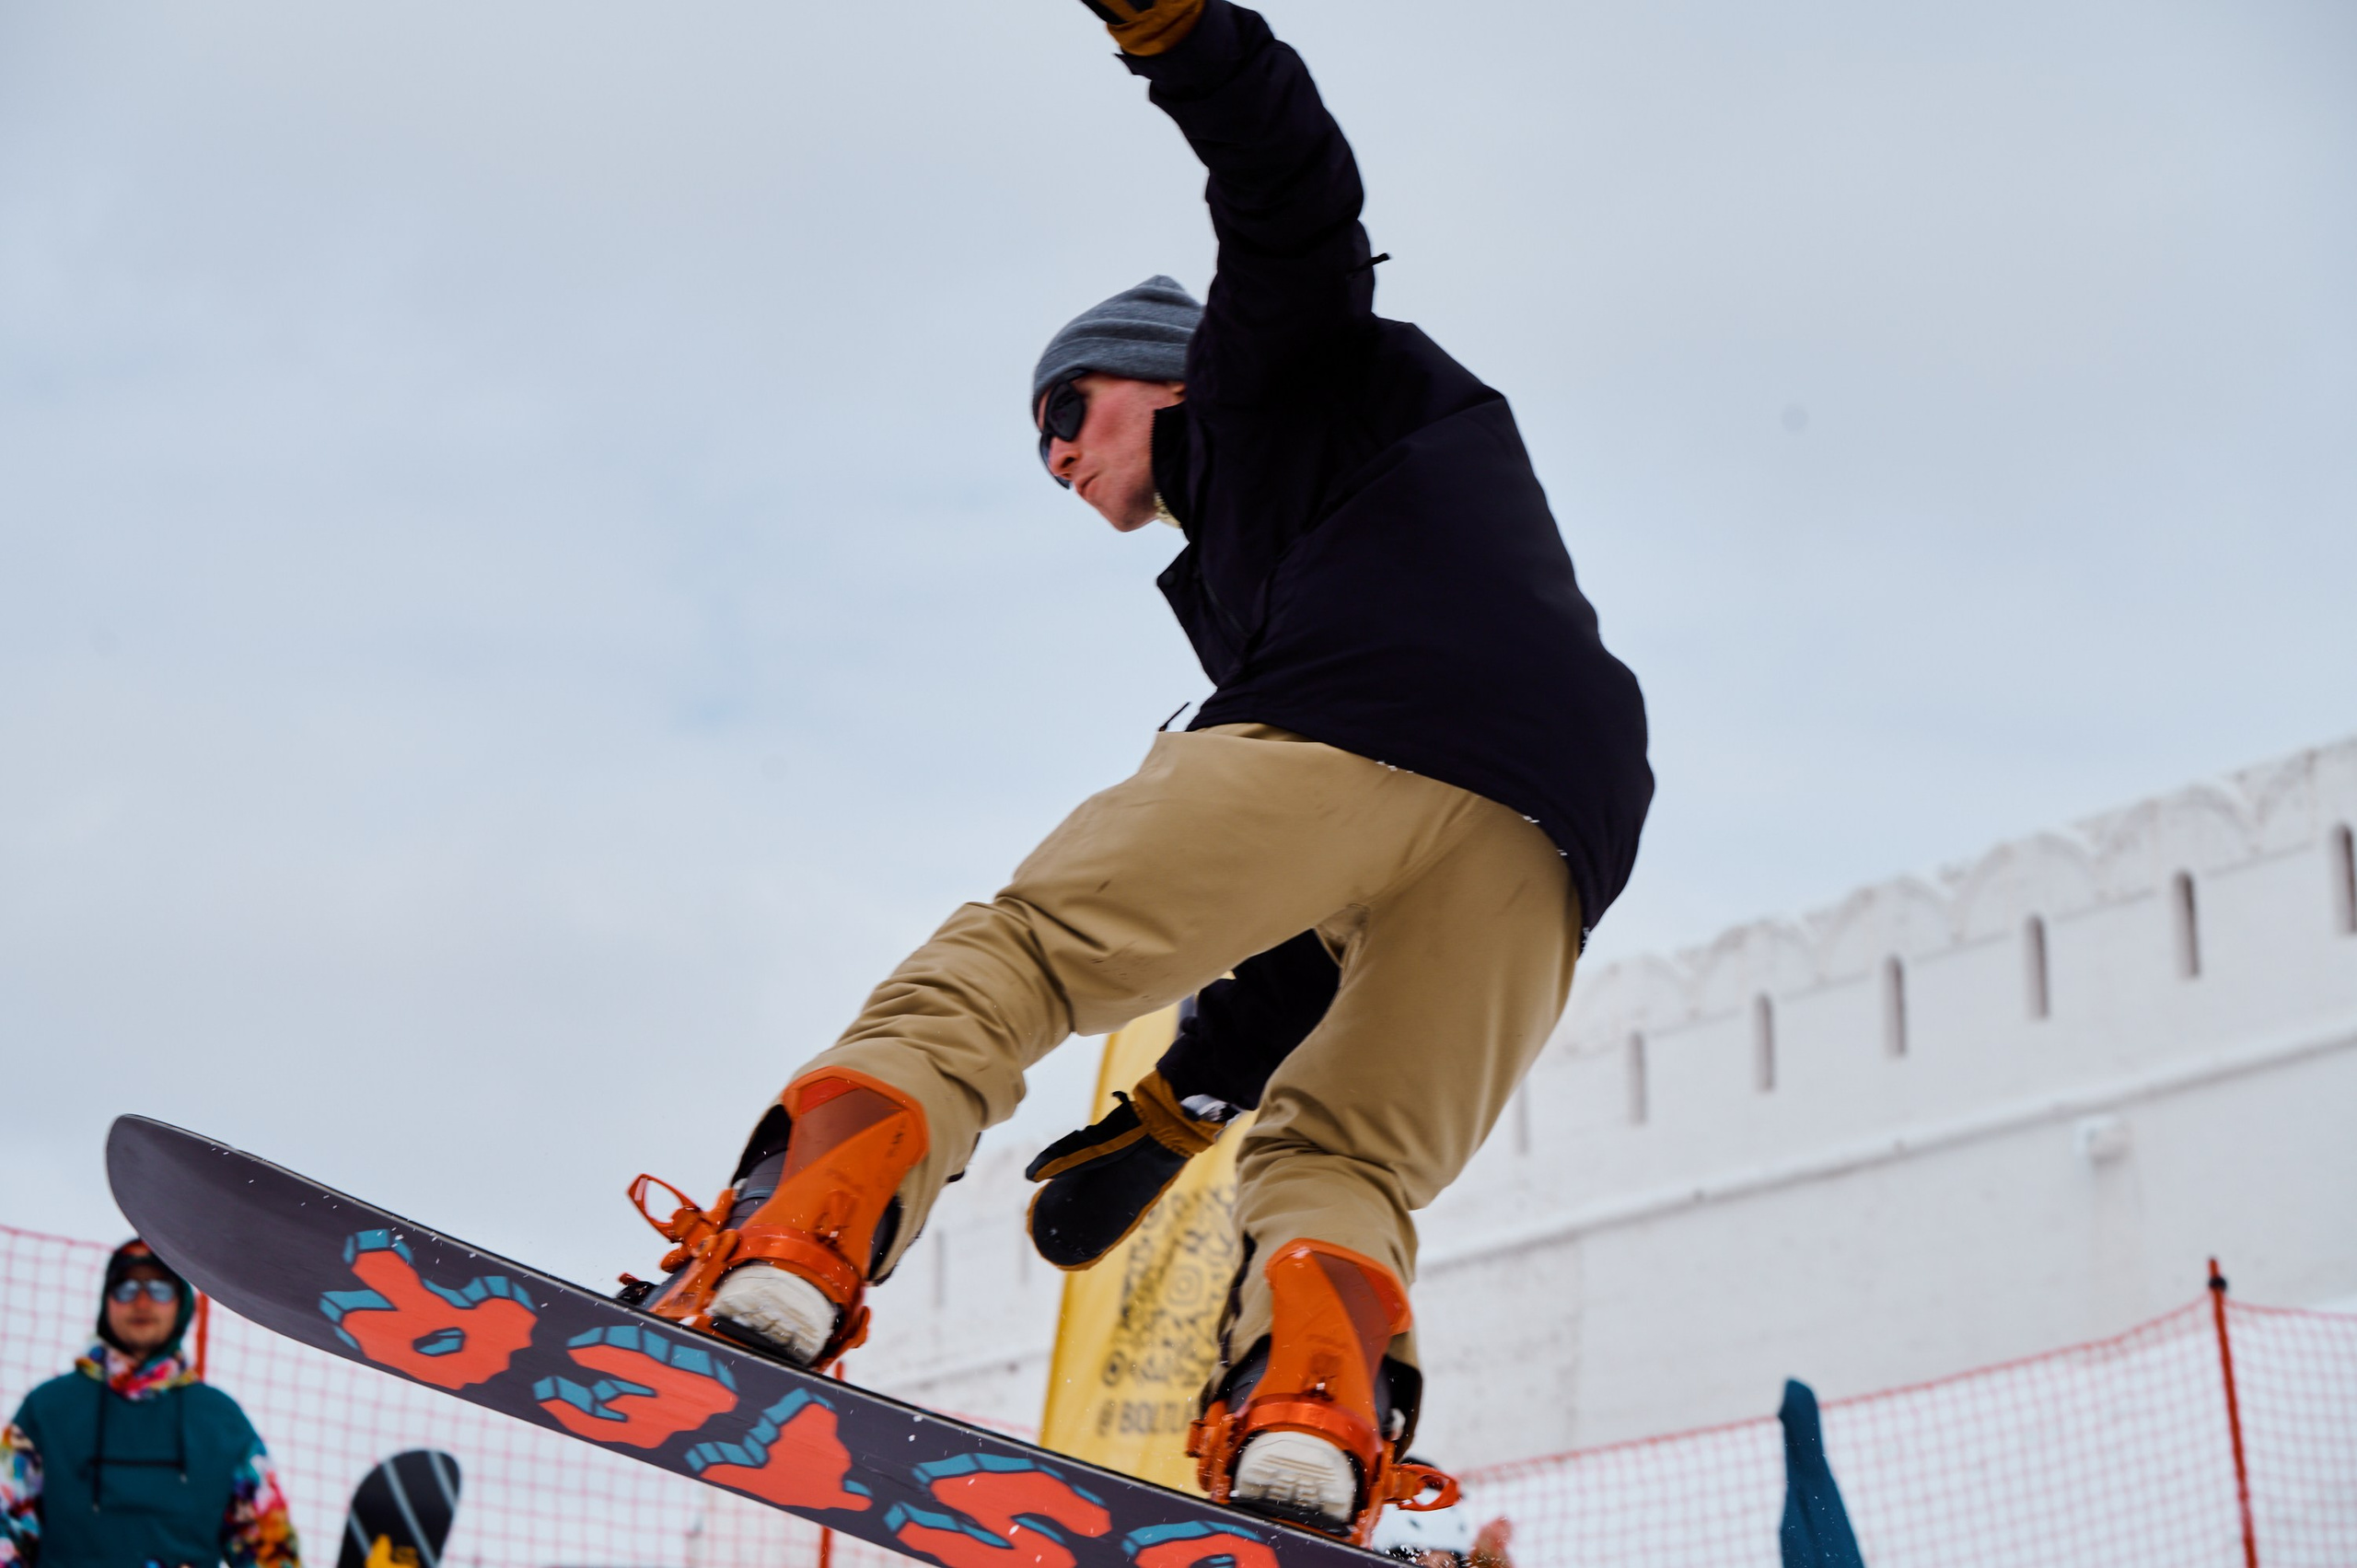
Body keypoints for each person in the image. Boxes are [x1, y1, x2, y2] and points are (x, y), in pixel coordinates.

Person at [633, 0, 1653, 1540]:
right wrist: (1183, 1099)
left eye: (1068, 410)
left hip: (1372, 717)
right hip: (1550, 829)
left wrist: (1189, 44)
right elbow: (1320, 918)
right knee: (1349, 1151)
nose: (1059, 457)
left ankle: (795, 1242)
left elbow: (1290, 191)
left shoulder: (1271, 371)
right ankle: (1310, 1422)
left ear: (1166, 372)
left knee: (1024, 955)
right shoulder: (1286, 541)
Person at [1, 1241, 299, 1568]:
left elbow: (271, 1551)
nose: (142, 1302)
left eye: (159, 1289)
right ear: (106, 1301)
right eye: (126, 1288)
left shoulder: (222, 1423)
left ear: (182, 1303)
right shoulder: (47, 1411)